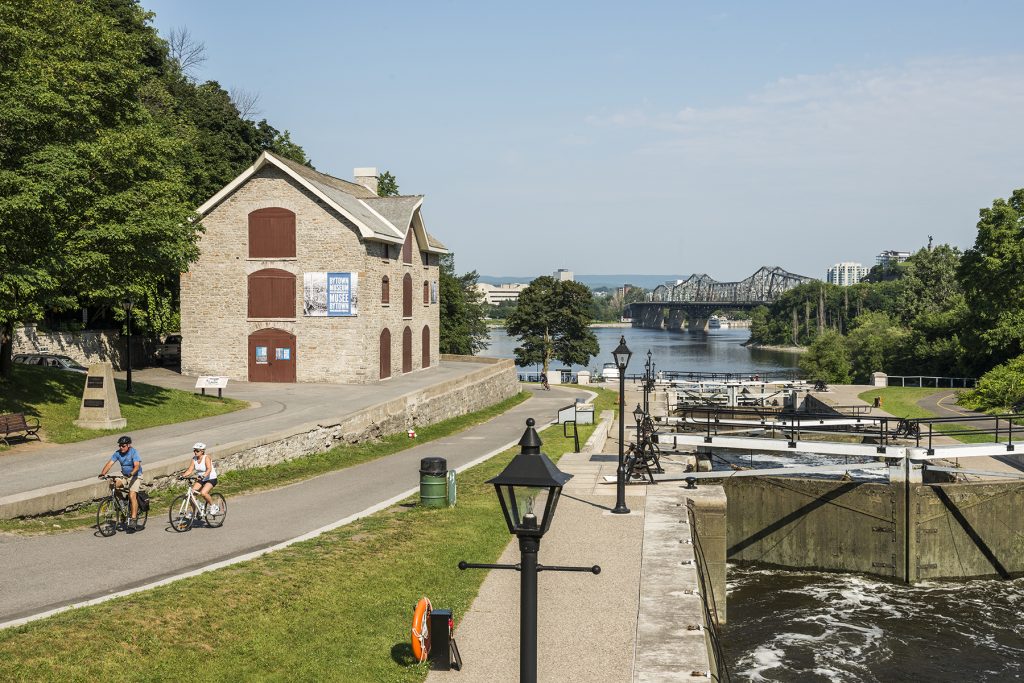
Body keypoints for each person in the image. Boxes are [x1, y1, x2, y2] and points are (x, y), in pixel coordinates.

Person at [98, 435, 143, 530]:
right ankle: (122, 502)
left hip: (135, 476)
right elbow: (110, 463)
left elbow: (137, 466)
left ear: (128, 445)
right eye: (120, 446)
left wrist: (131, 474)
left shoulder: (134, 453)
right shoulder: (117, 453)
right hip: (125, 476)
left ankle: (133, 518)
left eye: (123, 446)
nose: (121, 447)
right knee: (113, 485)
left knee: (132, 495)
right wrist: (103, 473)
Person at [181, 442, 219, 516]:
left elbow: (209, 469)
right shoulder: (194, 459)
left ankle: (213, 507)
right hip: (201, 479)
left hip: (211, 478)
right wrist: (183, 475)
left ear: (202, 451)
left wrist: (204, 475)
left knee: (203, 493)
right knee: (192, 494)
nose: (195, 452)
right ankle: (194, 511)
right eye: (194, 450)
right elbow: (190, 470)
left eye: (197, 451)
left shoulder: (206, 457)